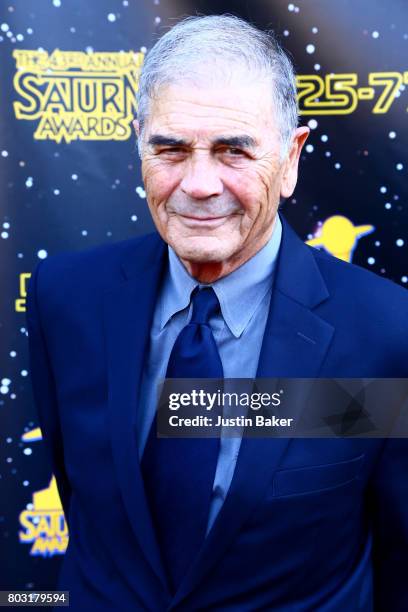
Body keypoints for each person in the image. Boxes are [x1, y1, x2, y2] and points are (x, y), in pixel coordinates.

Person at [26, 14, 408, 612]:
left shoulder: (387, 332)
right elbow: (84, 499)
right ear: (139, 148)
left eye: (233, 151)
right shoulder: (65, 296)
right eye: (171, 149)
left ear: (291, 159)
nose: (199, 183)